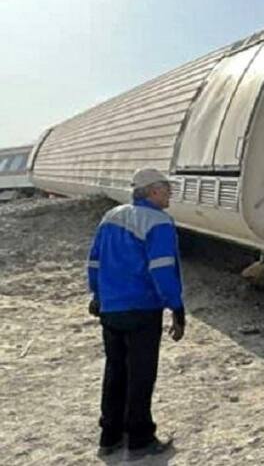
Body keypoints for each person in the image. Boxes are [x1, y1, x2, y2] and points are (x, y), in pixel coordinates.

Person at [86, 168, 184, 460]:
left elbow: (94, 261)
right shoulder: (158, 221)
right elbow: (162, 268)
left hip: (111, 308)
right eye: (166, 188)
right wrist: (176, 307)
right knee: (141, 374)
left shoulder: (110, 217)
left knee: (115, 370)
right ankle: (140, 440)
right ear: (152, 191)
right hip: (142, 308)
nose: (170, 193)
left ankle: (110, 436)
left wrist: (97, 295)